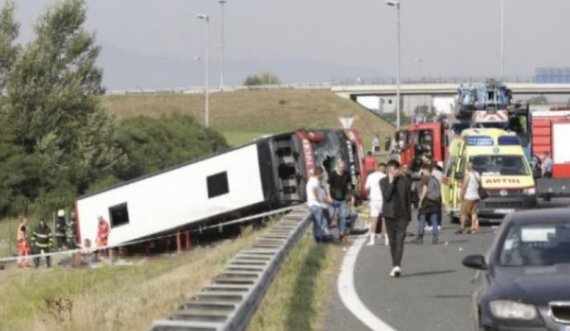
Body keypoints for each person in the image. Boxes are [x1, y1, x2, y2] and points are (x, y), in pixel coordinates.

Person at [380, 160, 412, 278]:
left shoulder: (404, 181)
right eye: (391, 169)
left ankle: (397, 265)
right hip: (389, 215)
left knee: (400, 240)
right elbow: (387, 196)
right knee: (392, 241)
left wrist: (409, 216)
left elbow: (408, 198)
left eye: (395, 169)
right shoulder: (383, 182)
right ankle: (395, 265)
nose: (394, 171)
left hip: (402, 215)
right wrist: (391, 182)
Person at [412, 163, 441, 244]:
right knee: (434, 220)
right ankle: (435, 237)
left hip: (426, 202)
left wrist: (421, 200)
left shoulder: (425, 178)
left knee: (422, 219)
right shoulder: (434, 178)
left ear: (425, 170)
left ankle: (420, 237)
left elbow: (425, 188)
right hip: (434, 202)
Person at [327, 160, 352, 241]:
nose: (342, 169)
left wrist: (349, 193)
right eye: (340, 167)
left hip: (342, 200)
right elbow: (328, 185)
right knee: (330, 215)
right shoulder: (333, 174)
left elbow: (349, 184)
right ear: (337, 166)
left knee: (342, 217)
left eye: (343, 167)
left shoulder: (347, 174)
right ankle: (325, 232)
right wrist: (329, 196)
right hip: (333, 199)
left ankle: (342, 234)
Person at [365, 162, 387, 246]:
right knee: (385, 219)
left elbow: (366, 187)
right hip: (383, 200)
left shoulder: (370, 176)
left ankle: (372, 240)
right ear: (384, 170)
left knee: (374, 220)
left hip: (373, 200)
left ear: (377, 168)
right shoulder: (385, 177)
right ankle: (386, 239)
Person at [306, 167, 329, 242]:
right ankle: (319, 238)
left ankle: (320, 237)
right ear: (319, 174)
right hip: (315, 204)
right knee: (320, 222)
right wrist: (318, 199)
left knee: (319, 222)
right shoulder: (315, 181)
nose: (322, 176)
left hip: (312, 204)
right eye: (322, 174)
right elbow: (313, 189)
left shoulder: (311, 180)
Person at [459, 162, 480, 234]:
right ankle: (473, 227)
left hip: (468, 196)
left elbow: (464, 187)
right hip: (476, 196)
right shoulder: (477, 174)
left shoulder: (468, 175)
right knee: (474, 212)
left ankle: (462, 227)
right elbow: (479, 184)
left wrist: (461, 195)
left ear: (467, 167)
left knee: (463, 212)